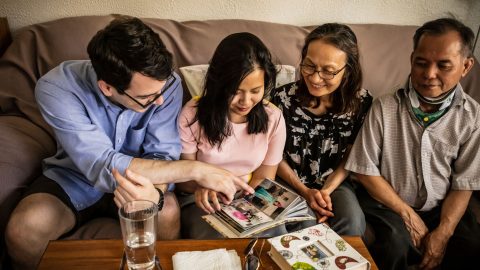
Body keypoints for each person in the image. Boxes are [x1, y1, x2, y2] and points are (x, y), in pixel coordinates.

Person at [5, 16, 252, 270]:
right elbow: (101, 163)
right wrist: (196, 169)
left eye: (161, 92)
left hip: (144, 181)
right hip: (74, 176)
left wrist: (155, 193)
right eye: (146, 98)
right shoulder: (57, 87)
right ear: (107, 88)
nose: (159, 102)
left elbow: (163, 155)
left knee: (166, 212)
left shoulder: (168, 85)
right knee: (24, 230)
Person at [345, 18, 480, 270]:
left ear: (466, 66)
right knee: (394, 244)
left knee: (471, 245)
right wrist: (408, 214)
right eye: (421, 63)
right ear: (411, 59)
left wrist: (444, 231)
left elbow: (465, 182)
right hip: (387, 204)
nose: (429, 74)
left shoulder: (473, 118)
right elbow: (364, 170)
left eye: (443, 65)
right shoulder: (384, 107)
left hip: (440, 207)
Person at [176, 32, 286, 239]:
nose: (246, 101)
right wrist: (202, 185)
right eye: (236, 91)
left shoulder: (274, 118)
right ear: (219, 83)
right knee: (215, 237)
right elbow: (184, 177)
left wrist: (246, 207)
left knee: (275, 234)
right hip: (202, 196)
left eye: (255, 90)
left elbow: (265, 176)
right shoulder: (192, 115)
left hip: (249, 195)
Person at [269, 23, 372, 235]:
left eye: (328, 71)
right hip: (289, 180)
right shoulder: (281, 99)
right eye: (309, 66)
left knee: (352, 222)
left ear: (348, 70)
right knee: (304, 223)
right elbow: (274, 156)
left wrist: (325, 192)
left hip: (335, 182)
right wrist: (305, 191)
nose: (315, 78)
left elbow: (351, 157)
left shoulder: (361, 103)